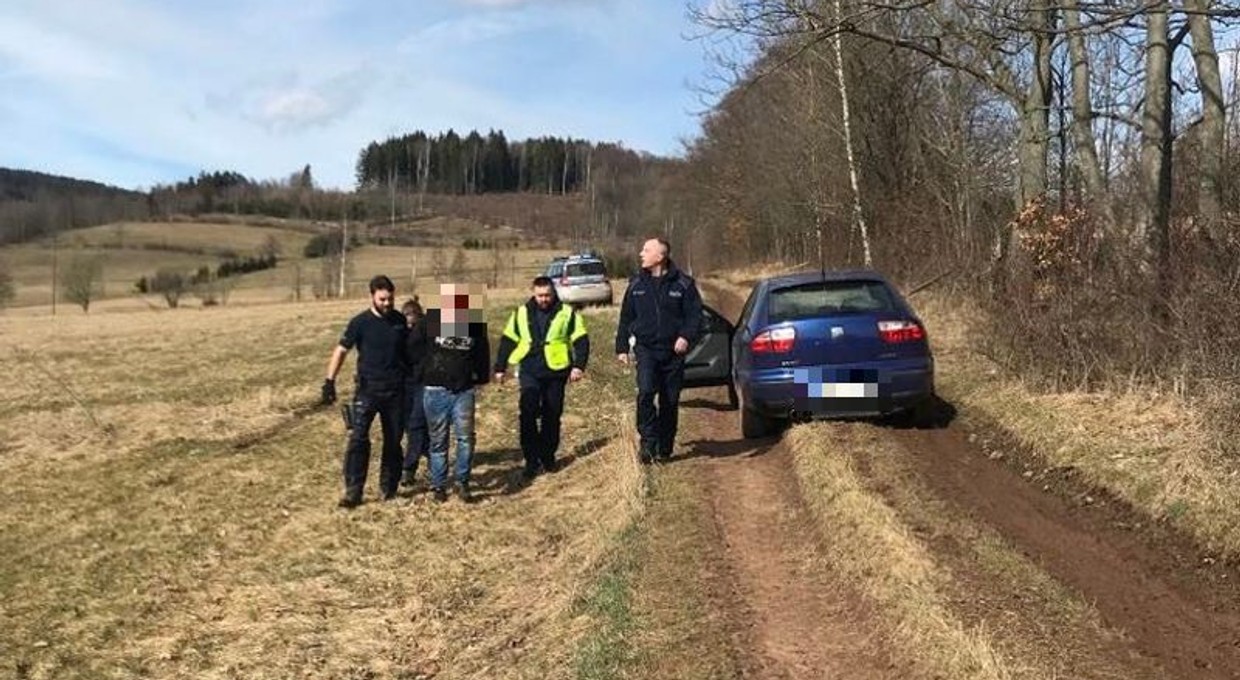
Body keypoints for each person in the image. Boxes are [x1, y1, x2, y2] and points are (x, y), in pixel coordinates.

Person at [322, 275, 409, 508]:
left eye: (390, 299)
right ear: (372, 296)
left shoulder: (400, 321)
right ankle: (353, 491)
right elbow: (341, 351)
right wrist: (329, 381)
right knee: (358, 440)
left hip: (396, 392)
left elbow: (411, 354)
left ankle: (388, 487)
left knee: (393, 442)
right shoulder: (359, 322)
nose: (387, 303)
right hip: (368, 391)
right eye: (382, 299)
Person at [614, 238, 703, 464]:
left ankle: (665, 446)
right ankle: (648, 443)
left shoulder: (683, 284)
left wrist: (685, 336)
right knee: (645, 393)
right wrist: (622, 347)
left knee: (669, 401)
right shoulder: (636, 285)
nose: (641, 253)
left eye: (646, 250)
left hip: (673, 353)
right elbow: (626, 318)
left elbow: (695, 317)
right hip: (646, 350)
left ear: (660, 256)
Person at [493, 276, 590, 479]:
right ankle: (530, 460)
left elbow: (581, 339)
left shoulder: (566, 313)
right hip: (529, 368)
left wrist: (579, 366)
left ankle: (547, 458)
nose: (543, 299)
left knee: (552, 414)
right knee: (527, 414)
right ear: (533, 293)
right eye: (539, 295)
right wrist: (500, 367)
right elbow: (508, 339)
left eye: (547, 295)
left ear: (553, 293)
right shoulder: (521, 313)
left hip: (556, 371)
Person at [410, 283, 491, 503]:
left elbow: (483, 353)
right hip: (435, 390)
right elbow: (412, 349)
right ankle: (438, 486)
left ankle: (462, 482)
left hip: (463, 391)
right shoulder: (428, 322)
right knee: (438, 441)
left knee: (466, 439)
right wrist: (423, 372)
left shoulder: (474, 324)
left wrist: (481, 378)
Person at [400, 296, 430, 488]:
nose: (411, 326)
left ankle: (408, 469)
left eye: (414, 322)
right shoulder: (398, 332)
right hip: (403, 384)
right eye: (407, 322)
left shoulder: (429, 330)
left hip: (424, 382)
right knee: (410, 427)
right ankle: (434, 457)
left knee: (416, 424)